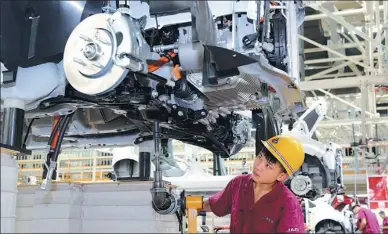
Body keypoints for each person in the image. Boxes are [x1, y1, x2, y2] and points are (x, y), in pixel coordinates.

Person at [201, 135, 306, 233]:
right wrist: (188, 204)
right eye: (260, 156)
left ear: (281, 176)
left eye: (268, 165)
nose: (258, 166)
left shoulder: (288, 204)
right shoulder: (238, 184)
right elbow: (215, 205)